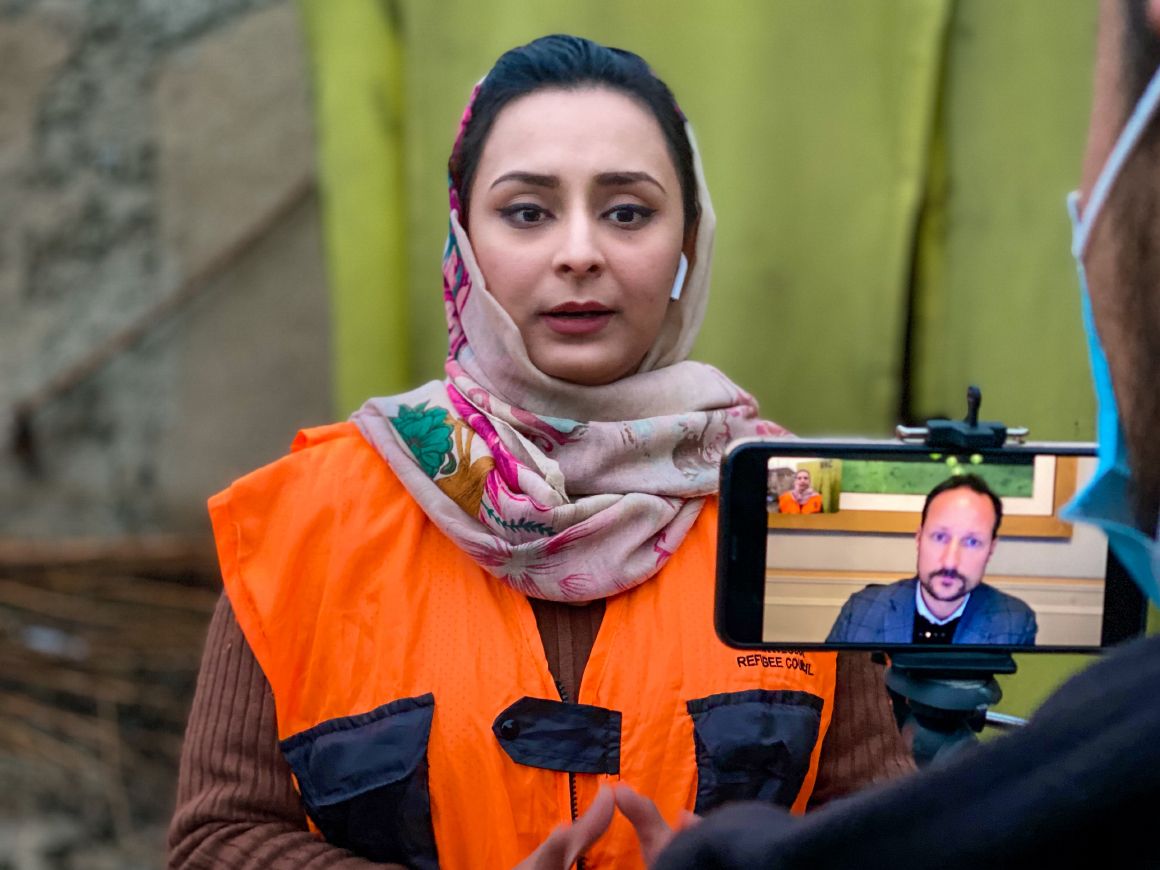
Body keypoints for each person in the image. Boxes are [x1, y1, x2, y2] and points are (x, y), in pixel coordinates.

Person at [167, 35, 913, 869]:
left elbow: (882, 832)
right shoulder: (309, 522)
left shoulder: (792, 511)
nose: (579, 253)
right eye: (527, 212)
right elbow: (218, 843)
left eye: (627, 212)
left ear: (687, 246)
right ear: (464, 241)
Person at [656, 0, 1160, 865]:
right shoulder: (866, 611)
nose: (579, 256)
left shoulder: (1041, 651)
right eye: (942, 535)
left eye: (975, 540)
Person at [826, 475, 1038, 645]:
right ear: (919, 538)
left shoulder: (1014, 623)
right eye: (939, 537)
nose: (950, 562)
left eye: (972, 542)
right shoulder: (860, 611)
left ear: (991, 548)